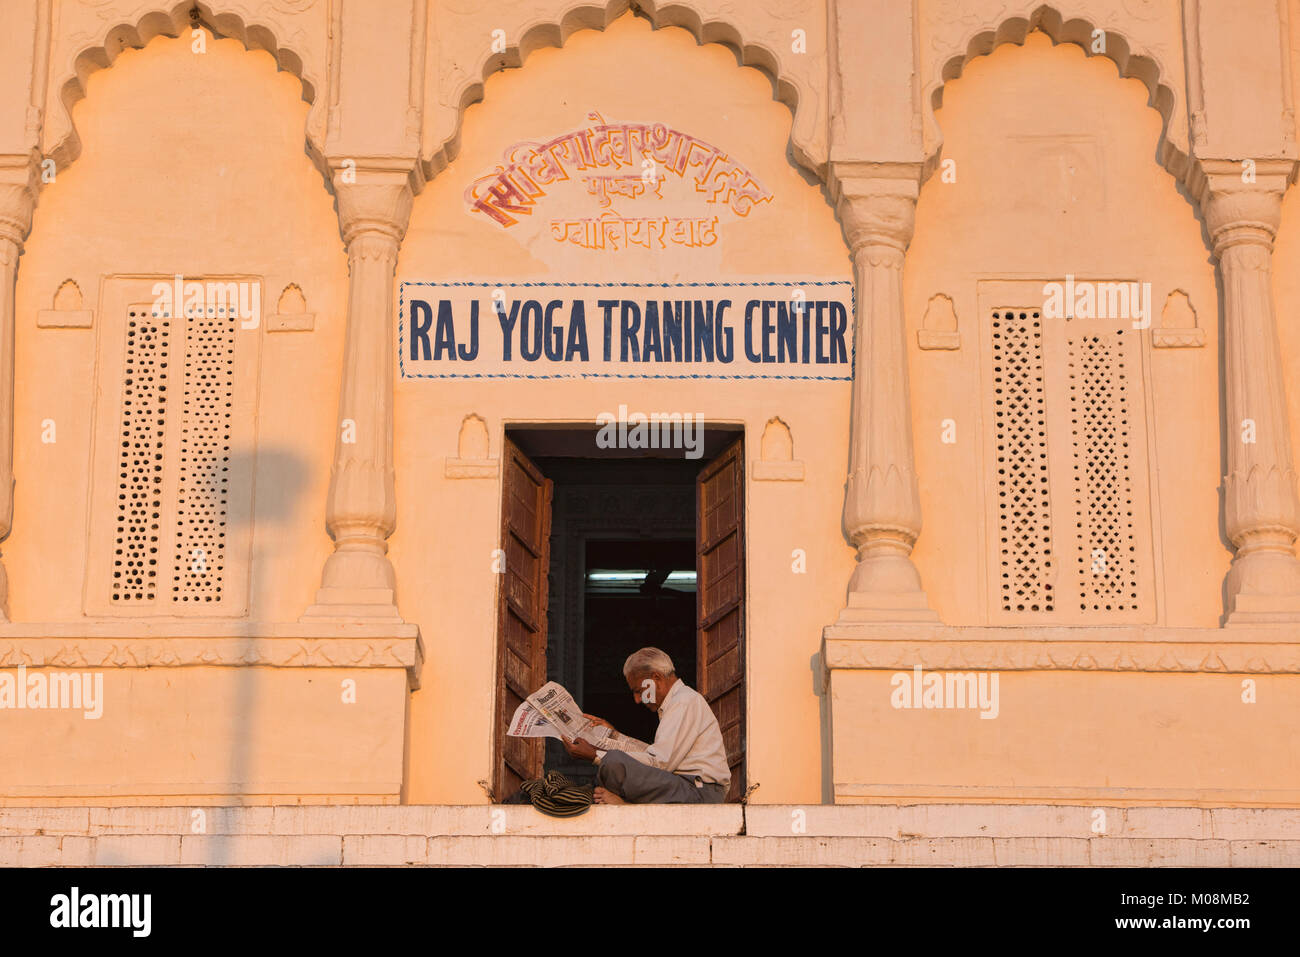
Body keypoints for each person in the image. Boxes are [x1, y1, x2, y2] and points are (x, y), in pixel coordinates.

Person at [560, 647, 730, 804]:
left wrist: (595, 754)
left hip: (699, 792)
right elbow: (654, 756)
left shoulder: (684, 701)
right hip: (683, 787)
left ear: (656, 678)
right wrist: (614, 737)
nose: (637, 699)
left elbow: (660, 763)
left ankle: (625, 805)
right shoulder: (678, 702)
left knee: (612, 762)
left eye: (639, 691)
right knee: (613, 762)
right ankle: (626, 804)